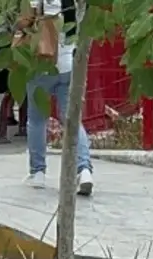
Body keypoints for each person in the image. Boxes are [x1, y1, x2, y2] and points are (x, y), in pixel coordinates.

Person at [18, 0, 94, 196]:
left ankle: (38, 173)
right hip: (69, 65)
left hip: (42, 66)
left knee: (36, 120)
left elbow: (24, 22)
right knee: (72, 120)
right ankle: (84, 170)